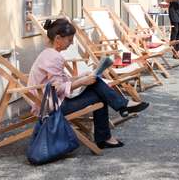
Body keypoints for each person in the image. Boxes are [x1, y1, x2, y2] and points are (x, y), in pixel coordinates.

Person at [28, 19, 149, 149]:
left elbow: (59, 82)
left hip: (50, 102)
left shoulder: (48, 54)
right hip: (50, 108)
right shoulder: (53, 57)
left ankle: (120, 111)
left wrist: (81, 77)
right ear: (58, 38)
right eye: (69, 40)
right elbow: (56, 89)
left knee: (96, 84)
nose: (71, 43)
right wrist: (82, 82)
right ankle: (115, 118)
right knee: (100, 93)